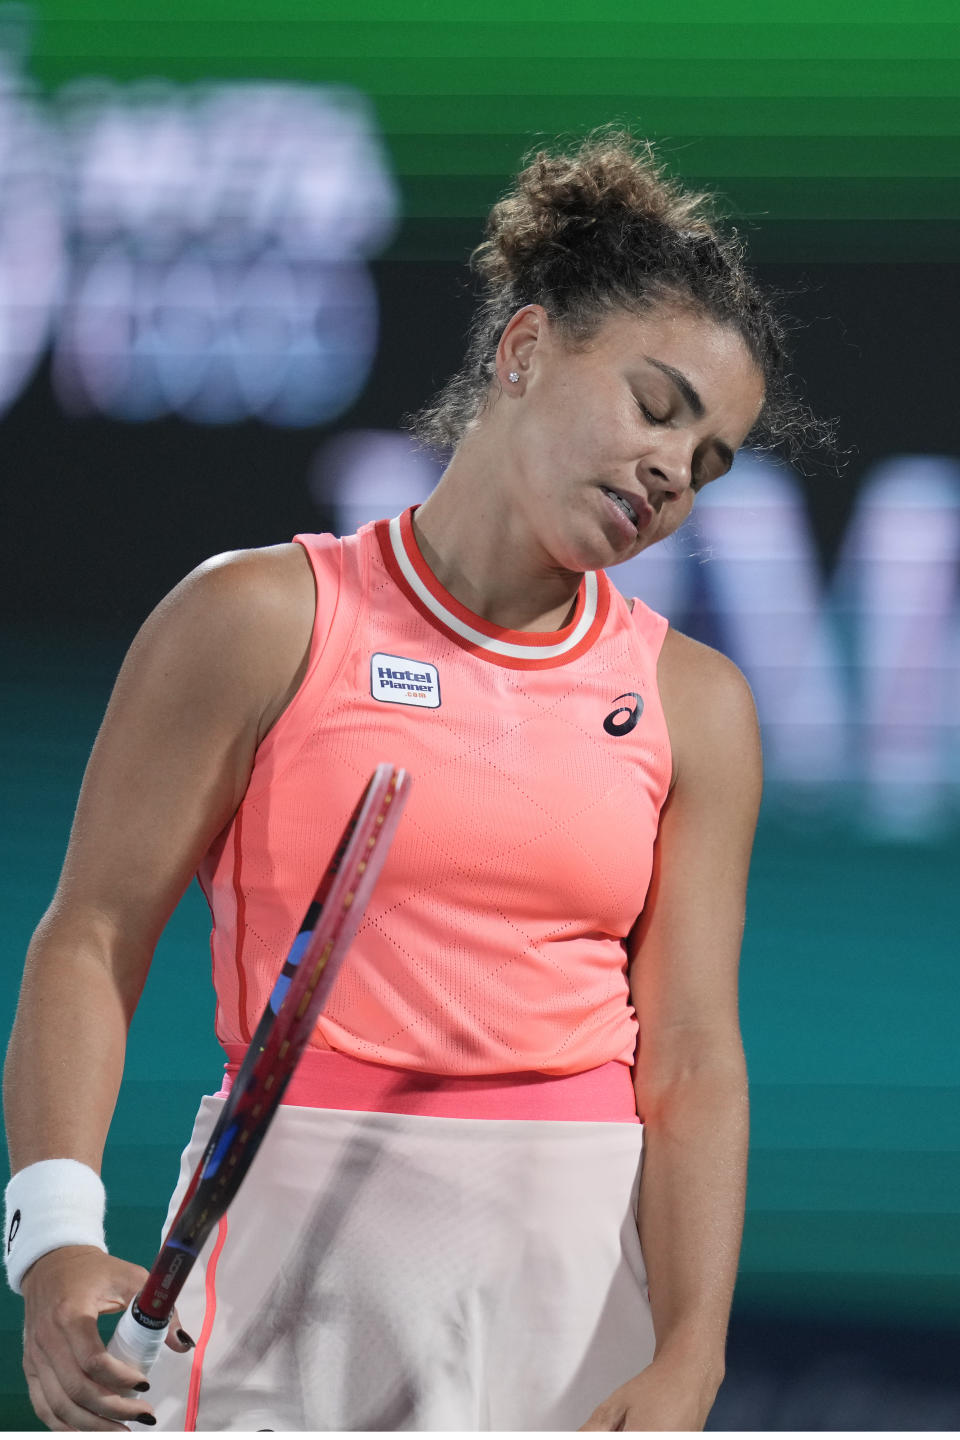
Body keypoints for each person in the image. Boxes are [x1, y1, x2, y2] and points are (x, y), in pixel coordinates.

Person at [4, 130, 817, 1431]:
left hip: (574, 1297)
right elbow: (91, 938)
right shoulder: (258, 619)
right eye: (658, 406)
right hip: (289, 1278)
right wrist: (50, 1235)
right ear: (526, 349)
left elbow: (694, 1060)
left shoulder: (697, 707)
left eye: (709, 459)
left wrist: (693, 1349)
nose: (675, 472)